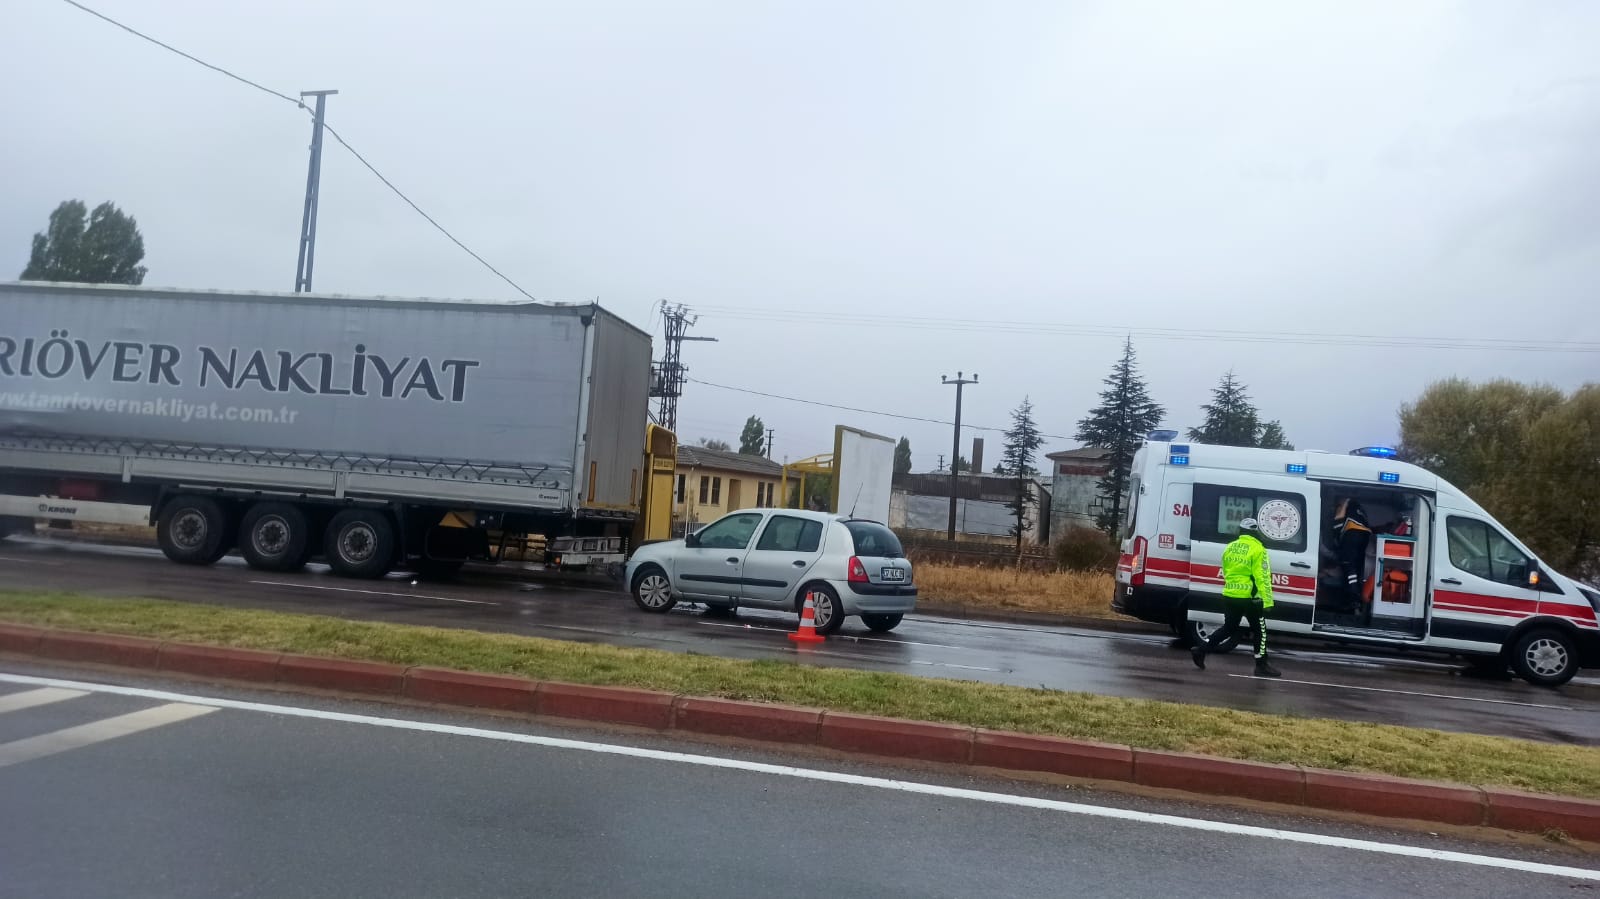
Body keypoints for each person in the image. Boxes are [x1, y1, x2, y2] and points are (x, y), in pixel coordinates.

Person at [1192, 517, 1281, 677]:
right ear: (1255, 532)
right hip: (1250, 598)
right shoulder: (1258, 549)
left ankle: (1201, 650)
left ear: (1241, 531)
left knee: (1229, 628)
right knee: (1260, 630)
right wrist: (1267, 601)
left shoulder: (1230, 547)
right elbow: (1263, 577)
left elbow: (1226, 571)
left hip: (1230, 595)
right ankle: (1261, 665)